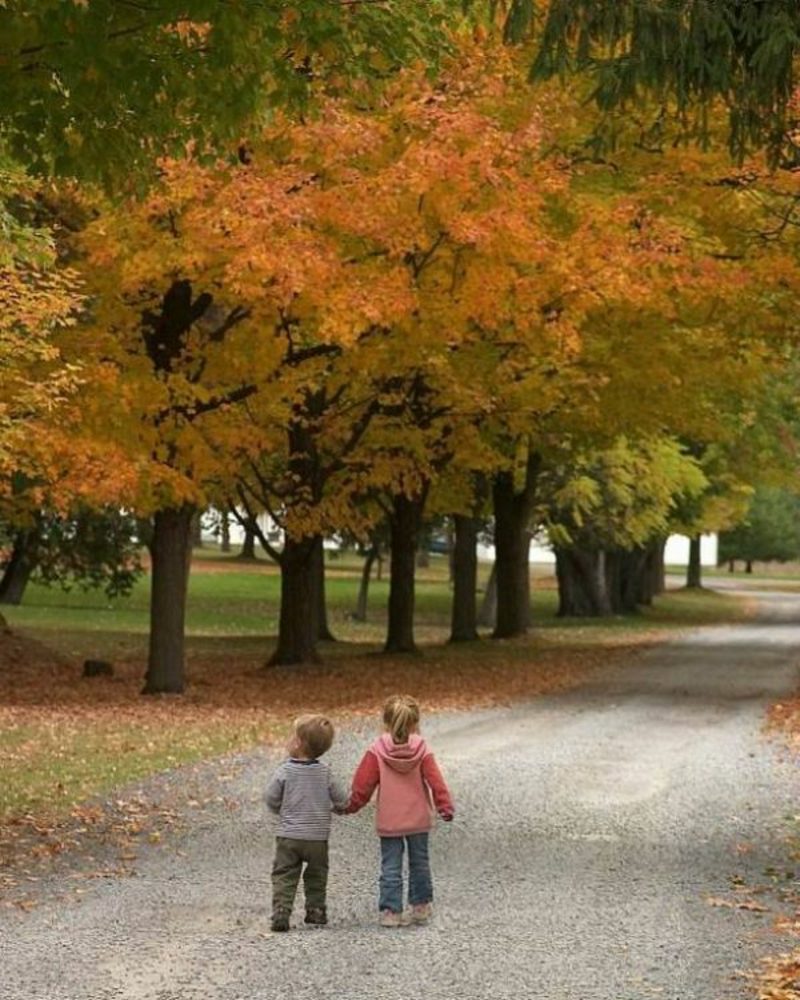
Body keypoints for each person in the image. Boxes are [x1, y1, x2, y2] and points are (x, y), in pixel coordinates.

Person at [345, 694, 454, 927]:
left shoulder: (376, 751)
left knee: (390, 865)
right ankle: (420, 906)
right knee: (420, 862)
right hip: (418, 818)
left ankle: (391, 911)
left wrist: (352, 805)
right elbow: (436, 781)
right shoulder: (422, 750)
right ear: (416, 723)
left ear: (385, 723)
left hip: (390, 819)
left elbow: (363, 784)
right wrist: (444, 805)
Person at [265, 713, 348, 932]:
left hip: (289, 836)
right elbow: (341, 798)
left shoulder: (285, 771)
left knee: (285, 873)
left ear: (298, 743)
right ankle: (316, 910)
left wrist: (277, 809)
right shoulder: (325, 772)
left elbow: (271, 797)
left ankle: (282, 911)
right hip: (317, 839)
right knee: (317, 874)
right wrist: (339, 808)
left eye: (291, 736)